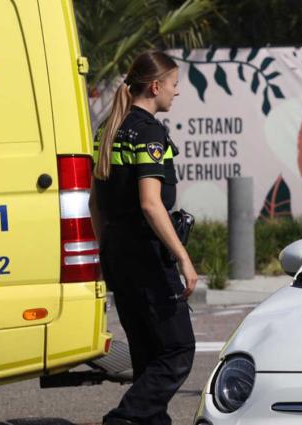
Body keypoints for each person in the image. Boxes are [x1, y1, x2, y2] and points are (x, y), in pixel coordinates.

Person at [89, 50, 197, 425]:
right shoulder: (149, 132)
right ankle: (122, 420)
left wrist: (106, 249)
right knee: (179, 349)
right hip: (147, 258)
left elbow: (94, 203)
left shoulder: (108, 128)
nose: (176, 92)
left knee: (148, 354)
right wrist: (182, 257)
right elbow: (152, 205)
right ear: (155, 86)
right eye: (173, 84)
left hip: (118, 254)